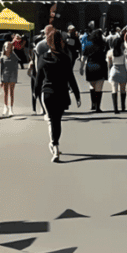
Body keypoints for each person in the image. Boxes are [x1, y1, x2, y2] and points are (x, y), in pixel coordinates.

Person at [34, 25, 80, 162]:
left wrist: (35, 95)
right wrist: (77, 95)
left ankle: (54, 144)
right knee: (57, 120)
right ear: (61, 42)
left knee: (51, 120)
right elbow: (71, 78)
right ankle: (55, 144)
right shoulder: (65, 58)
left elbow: (38, 79)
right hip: (61, 93)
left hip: (47, 93)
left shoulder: (43, 58)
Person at [83, 30, 108, 112]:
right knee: (99, 88)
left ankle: (93, 104)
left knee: (92, 86)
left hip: (90, 66)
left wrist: (81, 67)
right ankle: (98, 107)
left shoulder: (88, 44)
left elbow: (84, 57)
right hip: (101, 66)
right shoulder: (104, 44)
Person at [107, 31, 127, 112]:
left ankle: (115, 108)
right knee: (123, 89)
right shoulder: (124, 52)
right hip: (123, 70)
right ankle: (123, 107)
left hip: (114, 70)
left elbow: (109, 65)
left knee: (114, 89)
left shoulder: (110, 52)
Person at [0, 40, 19, 116]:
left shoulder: (14, 57)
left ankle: (11, 109)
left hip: (12, 76)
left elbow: (16, 68)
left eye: (10, 47)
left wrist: (16, 78)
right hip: (5, 76)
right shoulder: (2, 57)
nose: (8, 48)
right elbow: (0, 70)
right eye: (7, 47)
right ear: (4, 47)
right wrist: (0, 80)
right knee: (5, 93)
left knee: (11, 93)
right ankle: (5, 107)